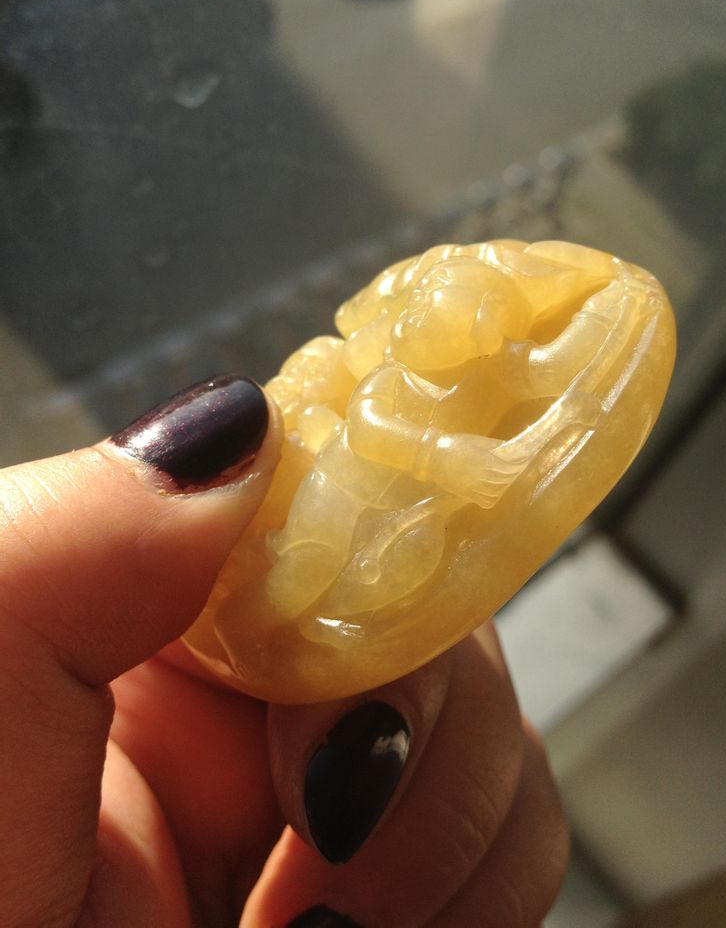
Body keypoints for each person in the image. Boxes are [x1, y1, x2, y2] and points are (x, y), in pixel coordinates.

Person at [0, 375, 568, 927]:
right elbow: (369, 428)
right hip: (327, 510)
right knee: (319, 587)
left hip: (330, 539)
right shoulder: (388, 388)